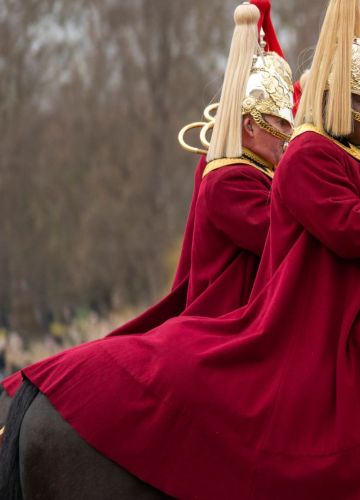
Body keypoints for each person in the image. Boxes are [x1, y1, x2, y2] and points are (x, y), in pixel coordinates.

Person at [18, 1, 360, 498]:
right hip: (291, 314)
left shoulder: (342, 153)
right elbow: (346, 227)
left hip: (355, 299)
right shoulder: (284, 163)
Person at [0, 1, 294, 398]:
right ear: (249, 126)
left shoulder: (257, 175)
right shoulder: (231, 180)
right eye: (279, 124)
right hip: (217, 333)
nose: (287, 137)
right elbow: (289, 237)